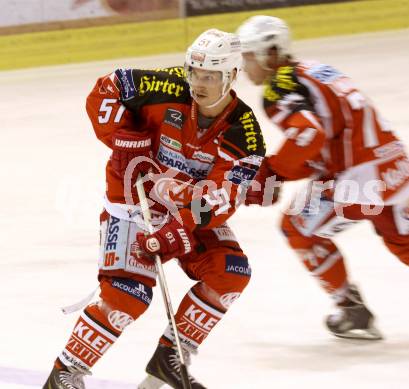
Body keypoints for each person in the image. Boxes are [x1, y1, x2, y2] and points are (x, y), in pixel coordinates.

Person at [43, 28, 265, 389]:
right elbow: (105, 88)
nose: (200, 83)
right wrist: (120, 135)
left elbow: (225, 194)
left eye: (211, 75)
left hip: (186, 210)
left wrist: (180, 227)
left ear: (232, 76)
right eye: (195, 72)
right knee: (126, 292)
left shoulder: (245, 131)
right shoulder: (164, 85)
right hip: (133, 199)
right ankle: (65, 373)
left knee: (231, 272)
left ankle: (170, 359)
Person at [236, 15, 409, 340]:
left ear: (271, 53)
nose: (245, 67)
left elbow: (310, 134)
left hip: (360, 182)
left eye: (248, 56)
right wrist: (280, 174)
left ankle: (351, 310)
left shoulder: (280, 88)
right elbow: (326, 142)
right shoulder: (316, 70)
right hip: (398, 169)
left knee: (296, 227)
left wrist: (272, 171)